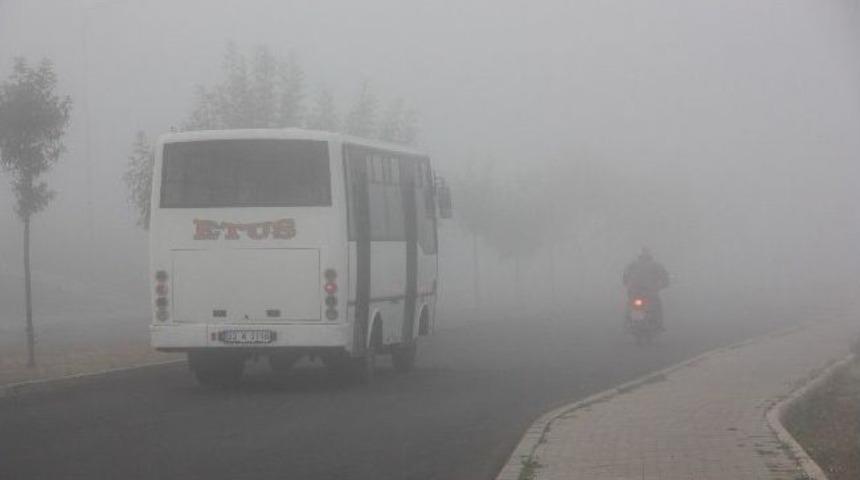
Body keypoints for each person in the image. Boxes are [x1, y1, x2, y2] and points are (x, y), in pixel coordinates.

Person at [622, 248, 670, 329]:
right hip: (650, 293)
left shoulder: (633, 265)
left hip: (635, 293)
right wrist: (662, 286)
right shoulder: (656, 265)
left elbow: (625, 278)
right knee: (657, 306)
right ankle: (658, 324)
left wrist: (628, 286)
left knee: (630, 306)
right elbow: (665, 278)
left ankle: (628, 322)